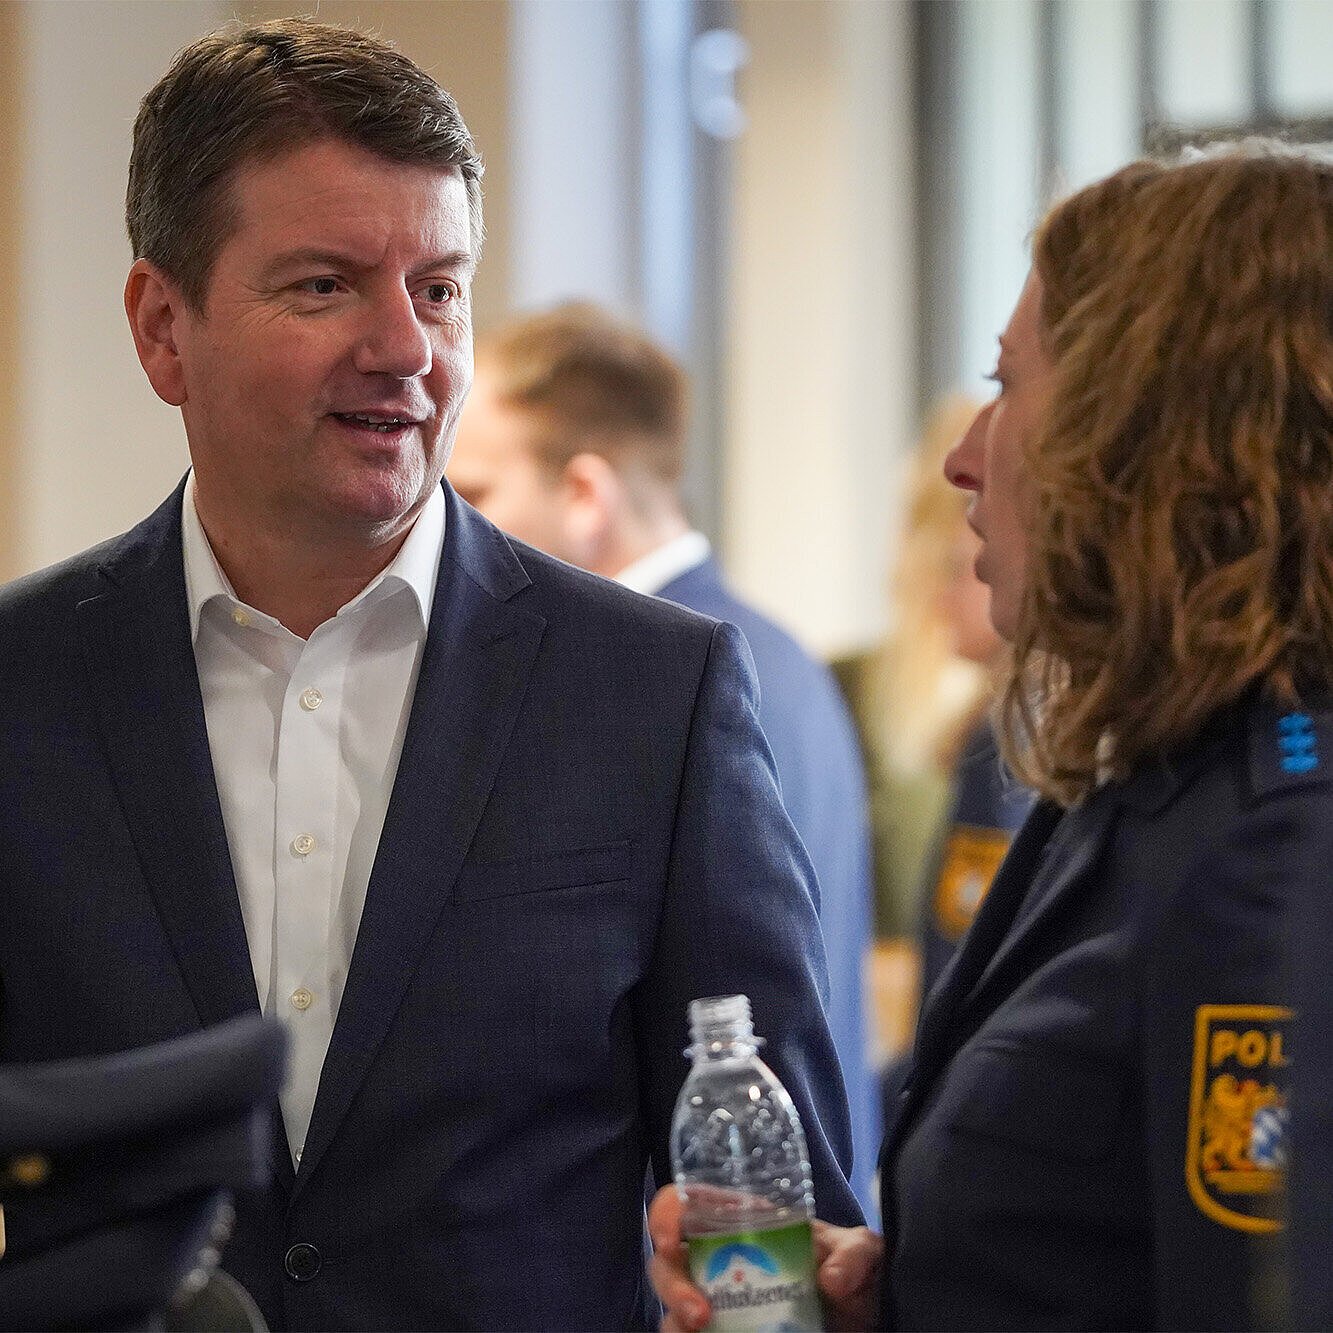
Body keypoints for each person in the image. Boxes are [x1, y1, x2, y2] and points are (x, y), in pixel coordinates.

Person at [0, 19, 862, 1330]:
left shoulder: (652, 694)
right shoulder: (26, 686)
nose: (405, 348)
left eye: (441, 289)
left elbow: (788, 1236)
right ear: (162, 328)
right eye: (325, 286)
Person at [650, 147, 1333, 1330]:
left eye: (1008, 386)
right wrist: (891, 1297)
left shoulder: (1276, 843)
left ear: (1146, 438)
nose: (964, 458)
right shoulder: (1140, 781)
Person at [448, 300, 879, 1217]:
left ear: (586, 495)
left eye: (476, 493)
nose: (448, 525)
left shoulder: (666, 691)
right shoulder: (776, 655)